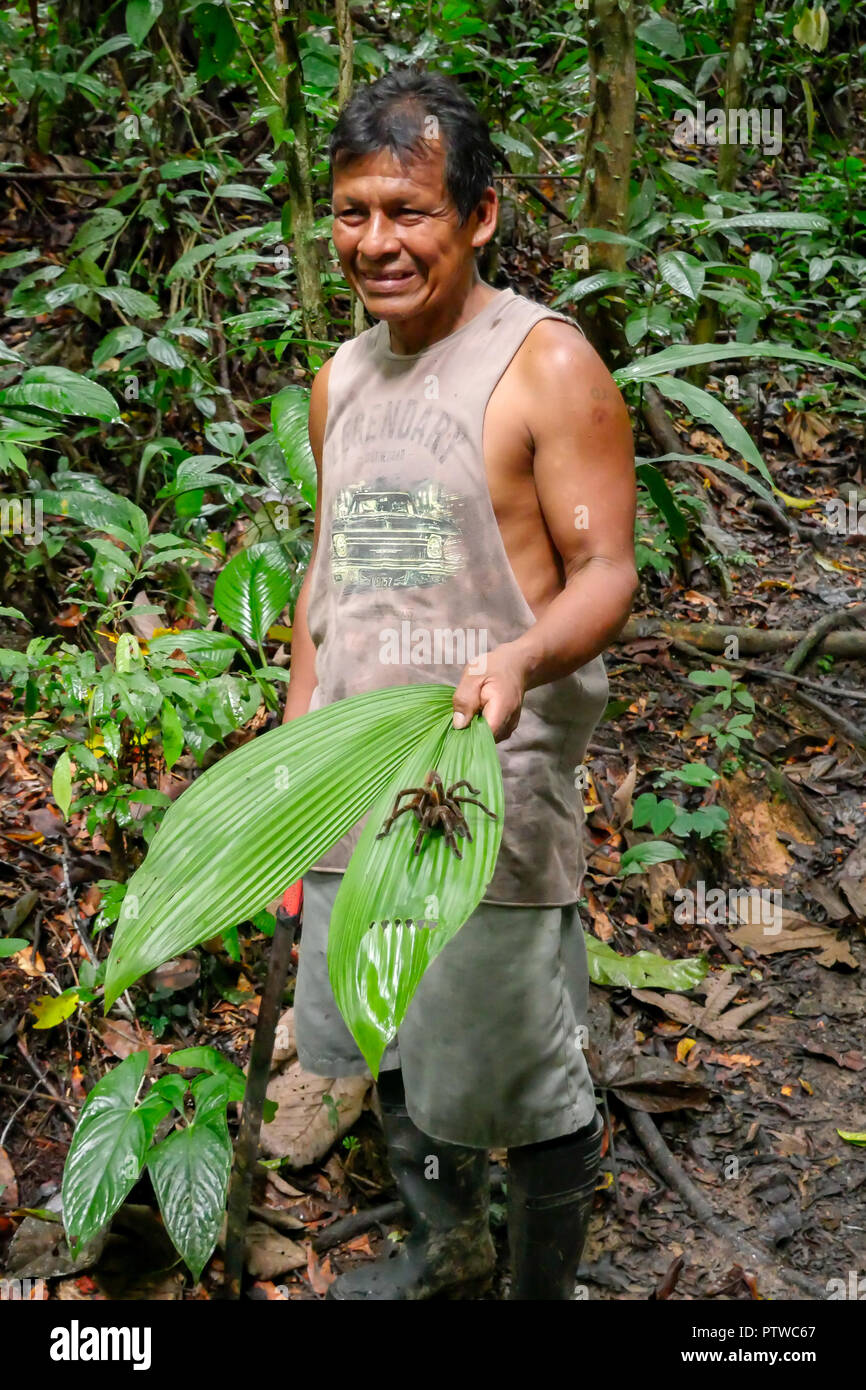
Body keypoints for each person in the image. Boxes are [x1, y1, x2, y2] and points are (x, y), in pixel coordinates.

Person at [279, 64, 637, 1300]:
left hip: (484, 784)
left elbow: (604, 569)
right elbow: (329, 578)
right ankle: (447, 1252)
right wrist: (289, 788)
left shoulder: (542, 364)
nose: (374, 241)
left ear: (477, 215)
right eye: (351, 211)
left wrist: (523, 656)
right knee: (380, 1036)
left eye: (407, 211)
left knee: (512, 1072)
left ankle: (537, 1286)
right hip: (351, 782)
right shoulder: (340, 382)